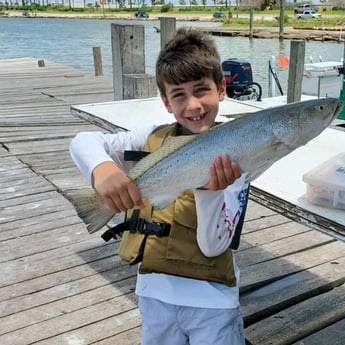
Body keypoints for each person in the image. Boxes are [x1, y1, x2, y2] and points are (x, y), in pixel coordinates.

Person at [69, 28, 249, 345]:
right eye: (179, 94)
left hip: (213, 302)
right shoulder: (152, 136)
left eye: (201, 90)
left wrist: (210, 193)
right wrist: (104, 170)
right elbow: (83, 141)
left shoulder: (237, 156)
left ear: (222, 88)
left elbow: (212, 248)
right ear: (166, 101)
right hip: (153, 294)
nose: (193, 105)